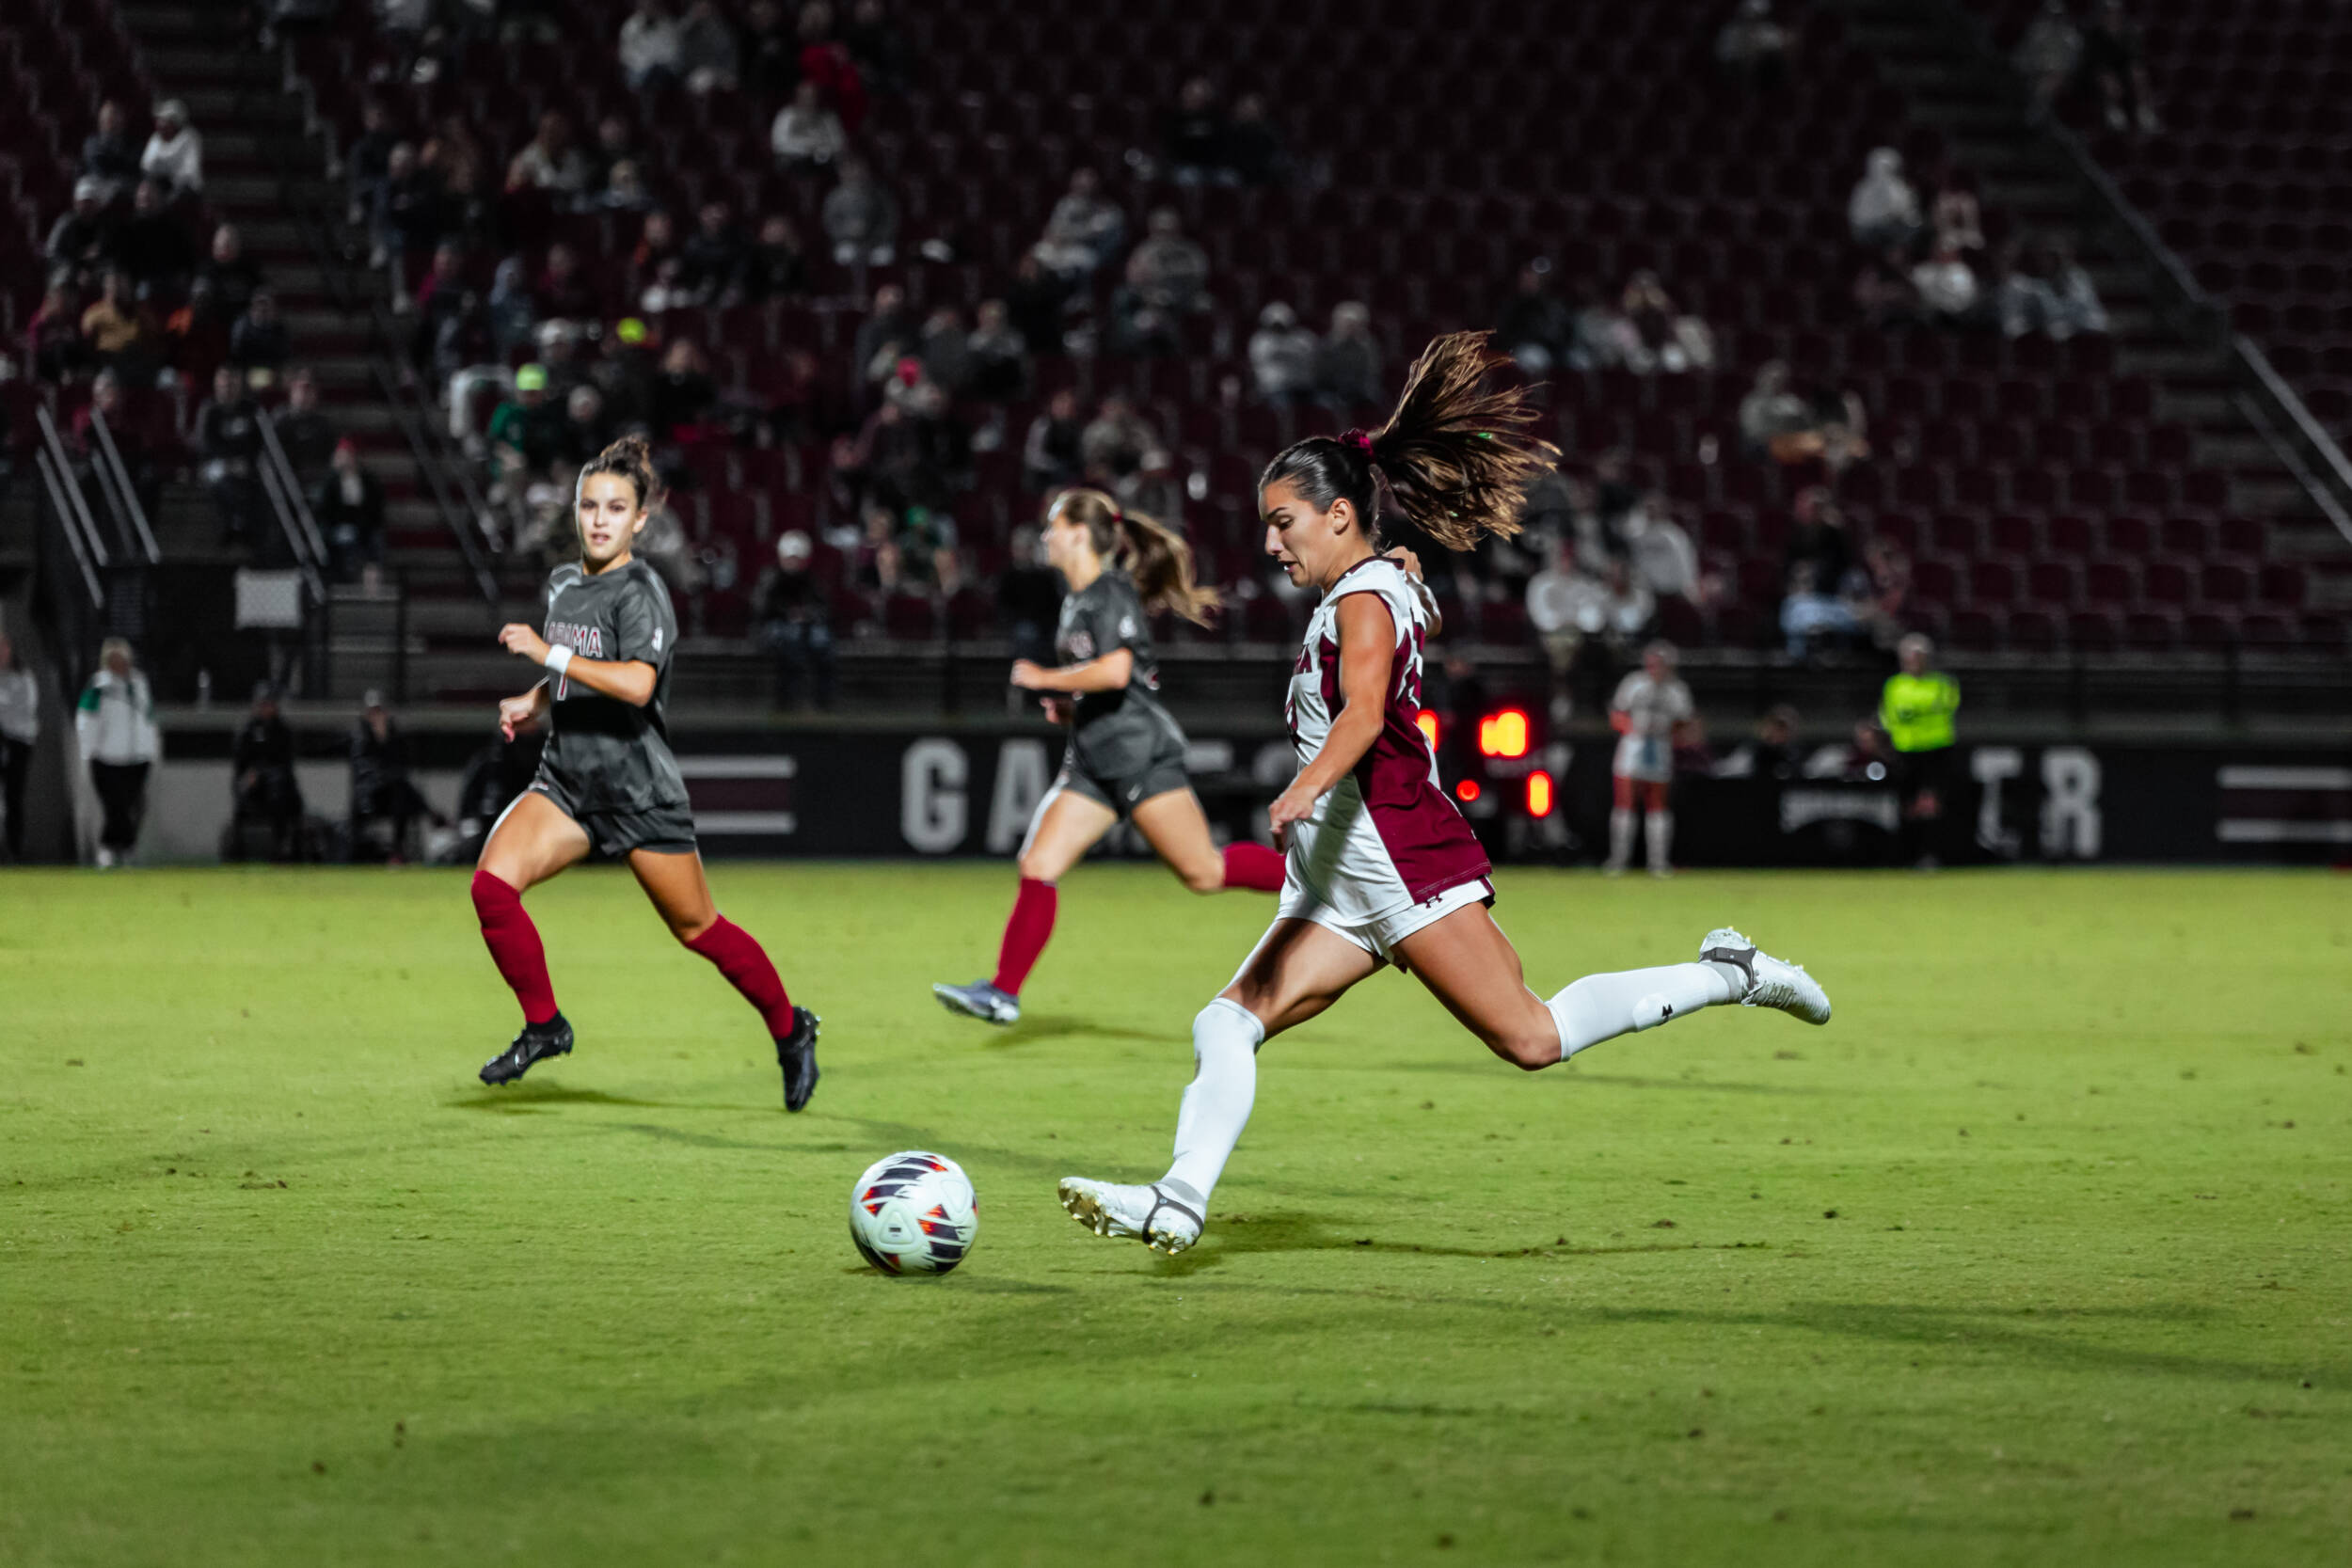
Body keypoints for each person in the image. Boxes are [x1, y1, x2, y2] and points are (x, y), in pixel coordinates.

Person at [1056, 334, 1831, 1255]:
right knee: (1225, 1018)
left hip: (1395, 853)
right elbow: (1387, 624)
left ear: (1339, 514)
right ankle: (1177, 1198)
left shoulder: (1362, 598)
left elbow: (1365, 711)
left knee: (1533, 1037)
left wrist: (1302, 785)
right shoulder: (1373, 583)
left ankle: (1727, 972)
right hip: (1339, 875)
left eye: (1283, 522)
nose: (1270, 542)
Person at [470, 435, 820, 1104]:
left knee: (699, 929)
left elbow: (634, 683)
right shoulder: (564, 583)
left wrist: (548, 654)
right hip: (568, 780)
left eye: (616, 507)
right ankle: (545, 1025)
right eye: (589, 505)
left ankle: (790, 1027)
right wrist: (535, 698)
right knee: (491, 888)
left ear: (640, 520)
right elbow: (573, 674)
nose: (599, 519)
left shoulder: (642, 590)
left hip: (637, 790)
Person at [931, 489, 1286, 1027]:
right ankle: (1002, 992)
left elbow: (1118, 672)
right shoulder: (1078, 599)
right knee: (1038, 864)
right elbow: (1109, 680)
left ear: (1078, 532)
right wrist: (1071, 710)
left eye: (1053, 525)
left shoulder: (1109, 592)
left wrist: (1045, 677)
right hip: (1094, 759)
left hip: (1139, 755)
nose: (1045, 536)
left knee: (1205, 872)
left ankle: (1320, 884)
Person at [1605, 640, 1697, 877]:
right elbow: (1616, 715)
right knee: (1625, 802)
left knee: (1657, 804)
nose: (1657, 669)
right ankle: (1618, 860)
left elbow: (1685, 721)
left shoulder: (1677, 691)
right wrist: (1634, 728)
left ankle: (1658, 862)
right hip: (1633, 746)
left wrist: (1666, 730)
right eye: (1653, 664)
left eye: (1662, 664)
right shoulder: (1633, 684)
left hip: (1659, 748)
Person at [1880, 633, 1961, 869]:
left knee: (1930, 805)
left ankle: (1930, 854)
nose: (1914, 661)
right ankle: (1907, 854)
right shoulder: (1894, 685)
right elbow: (1889, 716)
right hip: (1905, 751)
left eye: (1918, 656)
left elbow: (1944, 707)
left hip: (1936, 750)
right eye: (1910, 656)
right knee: (1908, 805)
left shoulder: (1942, 684)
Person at [76, 638, 158, 868]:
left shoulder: (140, 683)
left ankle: (119, 848)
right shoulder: (98, 685)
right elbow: (85, 718)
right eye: (114, 659)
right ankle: (115, 847)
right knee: (115, 806)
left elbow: (148, 718)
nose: (120, 663)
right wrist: (89, 749)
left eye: (123, 658)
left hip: (138, 757)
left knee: (130, 805)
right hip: (106, 757)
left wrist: (150, 749)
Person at [350, 691, 439, 861]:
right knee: (401, 786)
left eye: (379, 711)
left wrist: (384, 738)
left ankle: (397, 850)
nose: (377, 716)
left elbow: (402, 764)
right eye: (373, 712)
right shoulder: (360, 739)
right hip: (371, 796)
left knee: (401, 794)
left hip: (393, 795)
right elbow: (365, 770)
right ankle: (430, 813)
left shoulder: (395, 737)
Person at [753, 531, 836, 709]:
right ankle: (787, 700)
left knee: (823, 641)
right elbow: (762, 608)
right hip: (776, 626)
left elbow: (823, 607)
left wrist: (806, 615)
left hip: (807, 627)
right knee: (790, 643)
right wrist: (787, 614)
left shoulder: (811, 579)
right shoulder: (771, 577)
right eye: (789, 558)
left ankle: (824, 700)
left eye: (797, 558)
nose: (793, 562)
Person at [230, 684, 304, 860]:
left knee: (282, 795)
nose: (266, 708)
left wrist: (265, 772)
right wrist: (250, 775)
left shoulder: (283, 731)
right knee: (243, 799)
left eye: (269, 704)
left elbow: (285, 764)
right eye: (262, 704)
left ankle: (283, 847)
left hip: (279, 785)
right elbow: (240, 765)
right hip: (254, 787)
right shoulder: (247, 731)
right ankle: (238, 851)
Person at [311, 438, 387, 581]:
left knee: (374, 539)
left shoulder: (366, 480)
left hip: (362, 527)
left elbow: (375, 506)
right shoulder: (331, 482)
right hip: (337, 526)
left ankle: (370, 578)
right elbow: (324, 509)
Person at [820, 158, 898, 268]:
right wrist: (847, 233)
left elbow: (889, 220)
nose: (853, 174)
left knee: (883, 257)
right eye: (848, 170)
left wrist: (876, 237)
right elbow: (830, 223)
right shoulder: (834, 198)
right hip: (847, 242)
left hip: (877, 242)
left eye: (856, 169)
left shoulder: (879, 194)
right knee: (844, 255)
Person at [0, 634, 37, 863]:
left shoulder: (23, 676)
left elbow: (26, 709)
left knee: (14, 796)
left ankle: (14, 850)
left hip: (18, 742)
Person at [1848, 148, 1920, 251]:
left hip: (1895, 234)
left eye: (1887, 168)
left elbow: (1908, 215)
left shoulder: (1900, 187)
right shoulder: (1862, 188)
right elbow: (1857, 219)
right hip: (1869, 236)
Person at [1248, 302, 1317, 405]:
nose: (1279, 328)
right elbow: (1264, 356)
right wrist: (1291, 351)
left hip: (1303, 387)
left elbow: (1310, 355)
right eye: (1276, 325)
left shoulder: (1303, 337)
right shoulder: (1260, 340)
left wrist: (1286, 350)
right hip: (1273, 389)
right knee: (1282, 403)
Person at [771, 81, 847, 171]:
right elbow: (779, 143)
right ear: (797, 97)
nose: (809, 101)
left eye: (812, 96)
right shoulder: (786, 115)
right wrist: (808, 147)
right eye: (805, 96)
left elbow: (839, 143)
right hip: (795, 161)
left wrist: (822, 148)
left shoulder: (828, 117)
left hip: (824, 162)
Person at [140, 100, 204, 198]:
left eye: (167, 121)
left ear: (176, 122)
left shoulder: (190, 137)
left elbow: (189, 171)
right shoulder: (155, 138)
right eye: (160, 120)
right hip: (160, 186)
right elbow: (147, 165)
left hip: (185, 189)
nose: (162, 124)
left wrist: (169, 175)